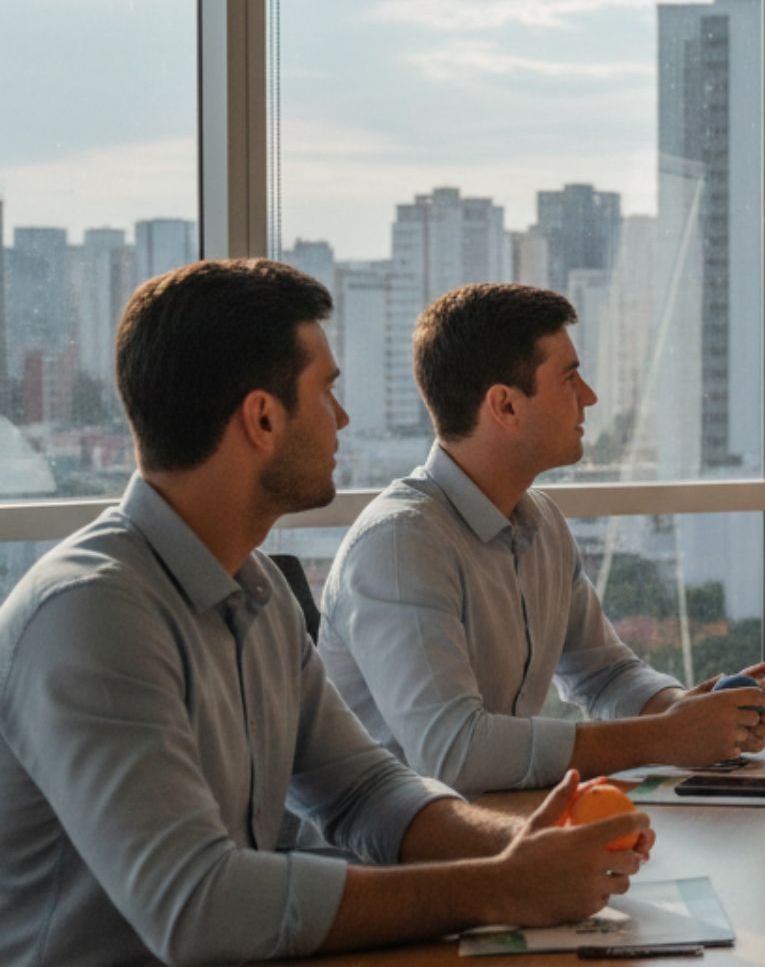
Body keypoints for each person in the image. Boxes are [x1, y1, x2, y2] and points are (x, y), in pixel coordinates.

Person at [0, 260, 653, 966]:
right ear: (262, 418)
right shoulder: (92, 615)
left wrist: (526, 848)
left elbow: (363, 792)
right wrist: (496, 886)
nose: (341, 418)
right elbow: (198, 906)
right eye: (326, 392)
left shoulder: (256, 592)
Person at [319, 283, 765, 798]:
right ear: (505, 405)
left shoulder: (541, 521)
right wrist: (665, 737)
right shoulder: (400, 544)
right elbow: (454, 754)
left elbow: (605, 674)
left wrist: (692, 714)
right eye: (569, 379)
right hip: (400, 843)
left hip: (503, 823)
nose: (589, 396)